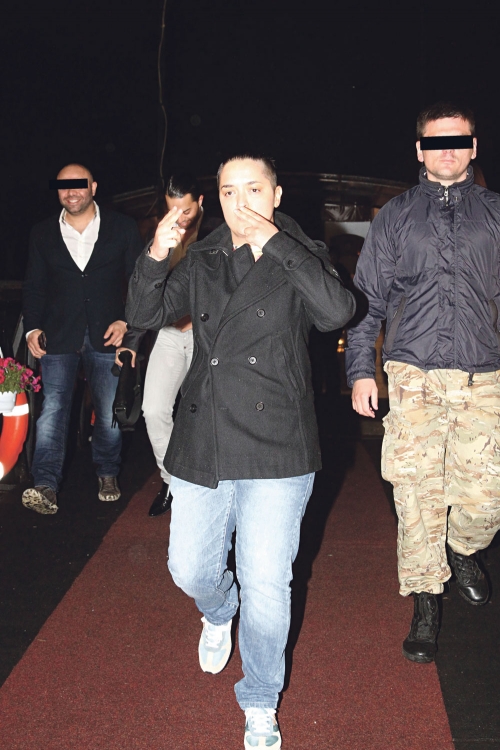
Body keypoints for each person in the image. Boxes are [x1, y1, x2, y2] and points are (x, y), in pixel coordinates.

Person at [123, 154, 355, 748]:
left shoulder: (301, 252)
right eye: (228, 191)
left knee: (268, 584)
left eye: (253, 189)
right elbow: (143, 313)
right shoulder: (204, 257)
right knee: (189, 569)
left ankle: (260, 701)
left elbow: (336, 312)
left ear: (276, 195)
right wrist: (156, 252)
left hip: (278, 444)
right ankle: (219, 609)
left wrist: (277, 245)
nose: (241, 202)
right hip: (204, 436)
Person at [346, 102, 500, 664]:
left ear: (474, 147)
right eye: (436, 141)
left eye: (458, 140)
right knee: (415, 496)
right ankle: (425, 601)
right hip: (412, 374)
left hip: (485, 374)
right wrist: (361, 370)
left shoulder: (496, 214)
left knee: (487, 494)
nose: (447, 150)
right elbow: (367, 300)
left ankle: (461, 548)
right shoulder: (395, 217)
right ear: (419, 150)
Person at [22, 163, 142, 514]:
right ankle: (45, 484)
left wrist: (127, 322)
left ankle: (107, 472)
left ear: (93, 187)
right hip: (58, 335)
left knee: (107, 411)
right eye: (64, 186)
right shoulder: (42, 233)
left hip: (108, 334)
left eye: (79, 185)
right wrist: (32, 328)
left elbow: (140, 280)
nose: (71, 192)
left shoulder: (123, 227)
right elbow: (34, 285)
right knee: (53, 409)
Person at [119, 173, 222, 517]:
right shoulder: (160, 234)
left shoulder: (219, 232)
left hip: (206, 337)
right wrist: (132, 341)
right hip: (167, 334)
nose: (179, 218)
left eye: (186, 210)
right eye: (172, 210)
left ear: (201, 202)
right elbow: (144, 294)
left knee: (202, 415)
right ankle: (172, 480)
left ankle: (207, 488)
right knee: (153, 409)